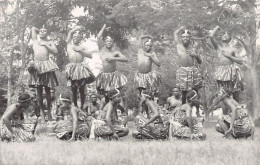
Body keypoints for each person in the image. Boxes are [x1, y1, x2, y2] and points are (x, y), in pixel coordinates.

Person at [27, 25, 59, 121]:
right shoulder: (35, 41)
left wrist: (45, 44)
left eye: (45, 31)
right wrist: (40, 30)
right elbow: (33, 28)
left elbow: (55, 51)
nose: (42, 32)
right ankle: (42, 112)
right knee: (39, 90)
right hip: (36, 66)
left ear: (47, 33)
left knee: (48, 89)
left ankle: (48, 111)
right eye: (41, 31)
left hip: (46, 65)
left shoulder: (49, 42)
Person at [209, 26, 244, 102]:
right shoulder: (218, 47)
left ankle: (237, 111)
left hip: (232, 71)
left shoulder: (233, 49)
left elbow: (240, 61)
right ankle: (225, 113)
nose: (224, 36)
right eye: (223, 35)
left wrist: (229, 56)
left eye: (227, 35)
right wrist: (217, 27)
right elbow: (211, 36)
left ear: (229, 39)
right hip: (221, 71)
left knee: (235, 92)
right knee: (223, 94)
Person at [65, 26, 95, 110]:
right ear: (72, 38)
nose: (75, 38)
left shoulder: (82, 46)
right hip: (72, 68)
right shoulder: (69, 45)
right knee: (73, 89)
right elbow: (70, 33)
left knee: (82, 89)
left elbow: (90, 55)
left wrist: (80, 50)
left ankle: (81, 107)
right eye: (74, 37)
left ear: (80, 39)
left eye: (78, 37)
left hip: (81, 68)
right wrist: (77, 28)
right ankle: (75, 106)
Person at [96, 24, 128, 95]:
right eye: (107, 41)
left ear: (112, 43)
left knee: (116, 93)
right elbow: (98, 37)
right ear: (104, 43)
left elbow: (125, 59)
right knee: (106, 94)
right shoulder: (101, 50)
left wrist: (112, 58)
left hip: (114, 75)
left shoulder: (115, 52)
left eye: (110, 41)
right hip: (104, 75)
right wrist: (103, 28)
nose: (109, 42)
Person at [174, 27, 202, 104]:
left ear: (190, 38)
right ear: (181, 38)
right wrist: (181, 28)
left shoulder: (194, 47)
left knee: (193, 91)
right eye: (183, 36)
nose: (185, 38)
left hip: (192, 70)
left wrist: (196, 56)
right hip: (182, 70)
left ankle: (196, 110)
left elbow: (200, 62)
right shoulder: (178, 46)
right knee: (183, 92)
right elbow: (175, 33)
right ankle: (183, 108)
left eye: (187, 36)